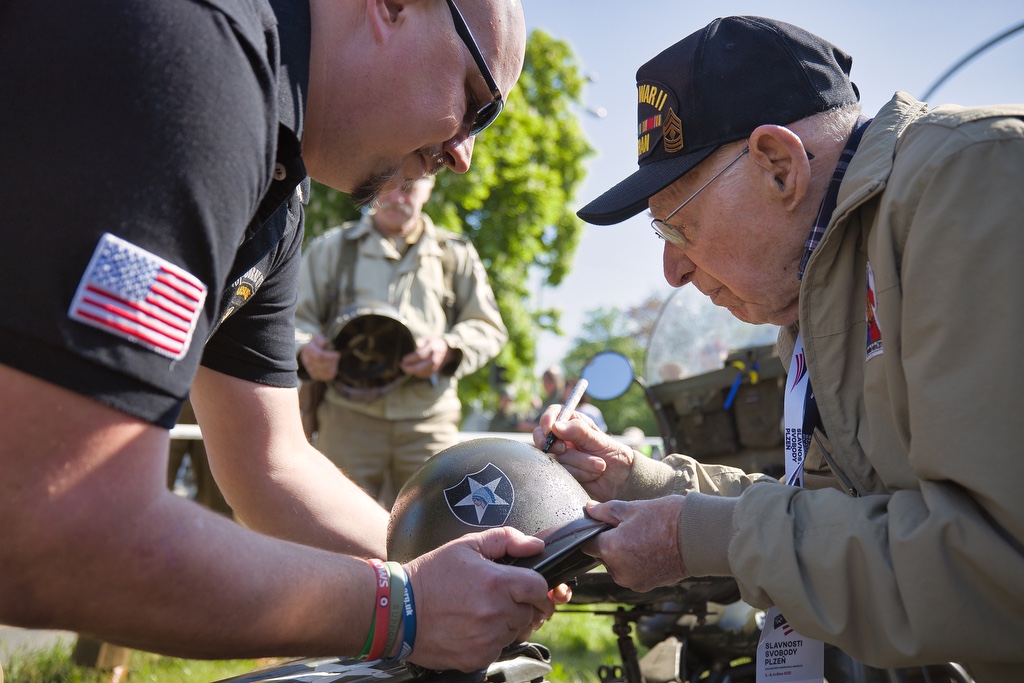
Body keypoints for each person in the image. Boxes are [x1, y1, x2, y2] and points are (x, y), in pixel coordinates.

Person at [0, 0, 566, 673]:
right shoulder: (200, 54)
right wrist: (403, 606)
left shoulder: (277, 181)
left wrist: (458, 575)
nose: (463, 155)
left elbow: (271, 466)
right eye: (476, 101)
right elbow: (54, 532)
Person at [539, 15, 1024, 681]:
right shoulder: (823, 287)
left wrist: (696, 538)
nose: (671, 272)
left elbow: (995, 566)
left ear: (778, 166)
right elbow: (842, 515)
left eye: (678, 225)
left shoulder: (973, 182)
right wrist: (642, 482)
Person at [295, 175, 507, 505]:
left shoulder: (455, 255)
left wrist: (448, 349)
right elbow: (293, 319)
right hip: (347, 420)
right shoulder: (332, 249)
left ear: (430, 186)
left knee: (433, 525)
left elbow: (488, 328)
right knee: (334, 521)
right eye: (388, 183)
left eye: (409, 185)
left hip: (428, 420)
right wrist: (308, 349)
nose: (396, 196)